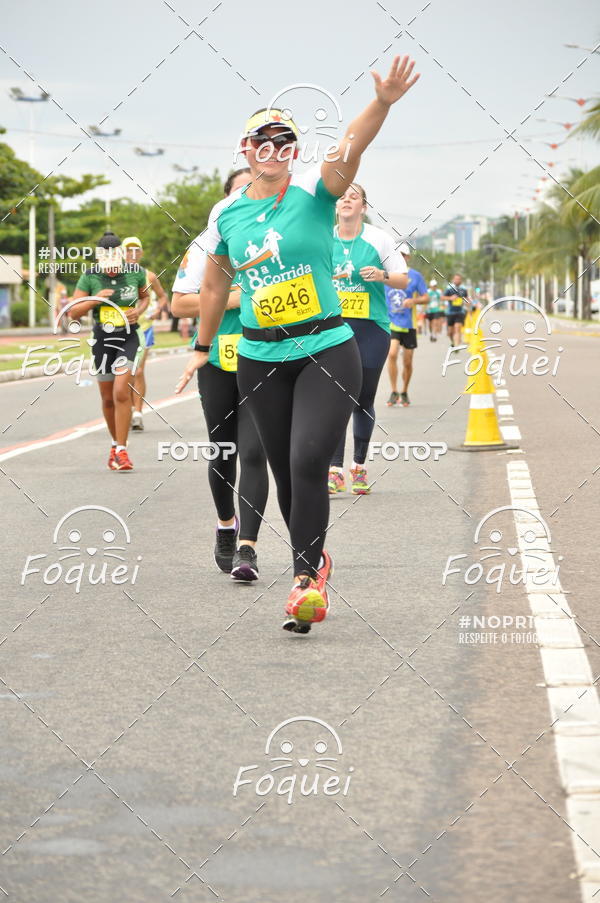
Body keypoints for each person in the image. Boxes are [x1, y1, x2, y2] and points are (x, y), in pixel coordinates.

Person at [176, 54, 419, 633]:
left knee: (310, 458)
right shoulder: (227, 214)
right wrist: (201, 347)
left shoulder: (315, 190)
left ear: (293, 149)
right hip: (259, 356)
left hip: (325, 348)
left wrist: (381, 101)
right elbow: (213, 283)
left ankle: (306, 580)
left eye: (284, 139)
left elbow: (349, 150)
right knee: (287, 469)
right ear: (245, 148)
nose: (273, 147)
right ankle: (309, 565)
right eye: (263, 139)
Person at [171, 168, 269, 582]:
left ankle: (248, 548)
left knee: (253, 452)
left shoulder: (274, 242)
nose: (249, 195)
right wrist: (231, 299)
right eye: (240, 190)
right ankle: (226, 525)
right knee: (222, 450)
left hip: (264, 355)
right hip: (216, 358)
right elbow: (179, 305)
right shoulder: (205, 245)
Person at [328, 183, 407, 495]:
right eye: (342, 196)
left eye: (354, 196)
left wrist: (382, 275)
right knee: (334, 400)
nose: (347, 200)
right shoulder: (321, 237)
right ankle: (334, 469)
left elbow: (402, 279)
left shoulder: (379, 239)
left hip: (371, 329)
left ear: (363, 207)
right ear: (335, 206)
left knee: (362, 400)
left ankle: (359, 466)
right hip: (332, 328)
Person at [69, 231, 149, 471]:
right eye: (107, 266)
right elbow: (73, 312)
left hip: (129, 338)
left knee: (121, 391)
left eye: (115, 265)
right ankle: (115, 445)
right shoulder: (90, 276)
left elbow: (145, 297)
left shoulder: (136, 272)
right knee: (107, 397)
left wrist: (139, 311)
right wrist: (95, 299)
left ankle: (123, 451)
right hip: (102, 339)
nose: (111, 271)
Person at [120, 236, 169, 431]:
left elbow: (164, 296)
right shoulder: (115, 275)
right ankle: (128, 407)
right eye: (128, 250)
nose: (132, 254)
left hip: (144, 328)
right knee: (124, 373)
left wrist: (159, 310)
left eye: (136, 251)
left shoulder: (149, 276)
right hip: (120, 329)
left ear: (141, 253)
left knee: (138, 371)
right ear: (122, 253)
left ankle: (138, 414)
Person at [386, 242, 428, 407]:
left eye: (403, 255)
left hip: (409, 324)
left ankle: (404, 391)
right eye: (398, 255)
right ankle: (394, 390)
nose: (400, 258)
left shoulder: (415, 276)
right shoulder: (387, 275)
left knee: (408, 362)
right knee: (392, 354)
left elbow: (426, 297)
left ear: (408, 257)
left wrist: (414, 300)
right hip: (391, 323)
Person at [442, 272, 470, 347]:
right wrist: (450, 298)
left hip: (460, 312)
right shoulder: (449, 288)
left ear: (461, 280)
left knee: (458, 328)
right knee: (450, 332)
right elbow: (442, 297)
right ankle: (453, 342)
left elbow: (467, 299)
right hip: (450, 312)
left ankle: (457, 345)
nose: (457, 280)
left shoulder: (464, 289)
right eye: (456, 279)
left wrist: (468, 303)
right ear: (453, 280)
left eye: (459, 279)